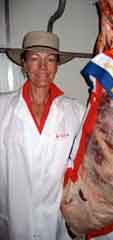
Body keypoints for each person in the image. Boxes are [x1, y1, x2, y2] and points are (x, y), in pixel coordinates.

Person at [0, 30, 85, 240]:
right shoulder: (1, 107)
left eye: (50, 59)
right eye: (34, 59)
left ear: (57, 65)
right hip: (13, 223)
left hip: (58, 224)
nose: (43, 67)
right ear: (24, 64)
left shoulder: (76, 111)